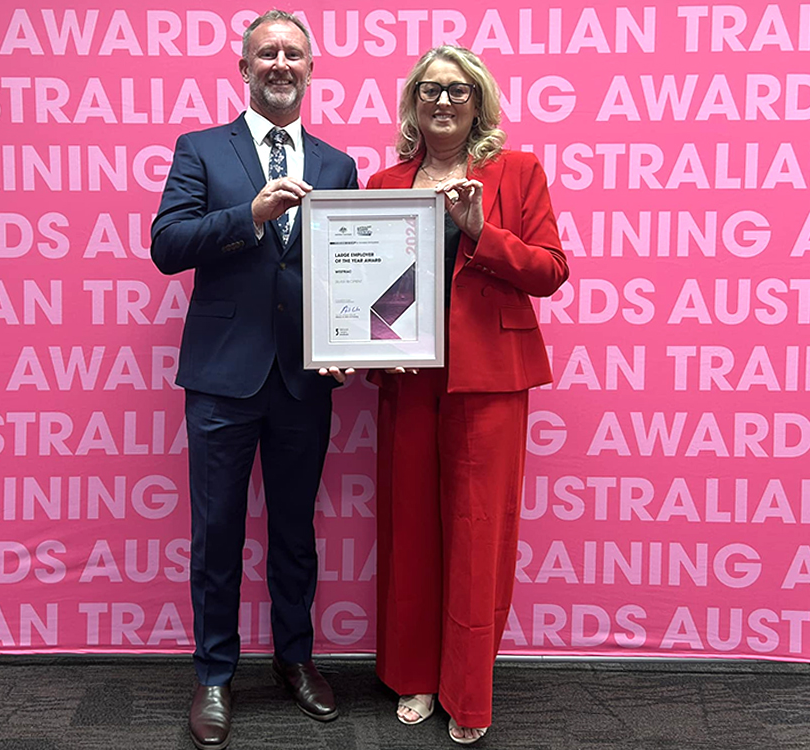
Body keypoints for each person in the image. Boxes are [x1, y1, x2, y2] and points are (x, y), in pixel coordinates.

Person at [150, 10, 358, 750]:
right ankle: (214, 674)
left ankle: (295, 662)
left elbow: (345, 275)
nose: (280, 63)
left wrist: (350, 340)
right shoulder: (201, 150)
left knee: (296, 532)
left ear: (311, 68)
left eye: (293, 53)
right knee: (216, 533)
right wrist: (249, 213)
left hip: (305, 381)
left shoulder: (337, 164)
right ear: (243, 68)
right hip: (220, 380)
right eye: (266, 52)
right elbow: (167, 246)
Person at [367, 46, 569, 745]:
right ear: (414, 103)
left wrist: (481, 232)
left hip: (490, 381)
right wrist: (360, 348)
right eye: (430, 90)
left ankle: (467, 691)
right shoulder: (385, 180)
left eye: (457, 90)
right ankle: (417, 676)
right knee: (412, 529)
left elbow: (549, 271)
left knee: (479, 537)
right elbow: (364, 293)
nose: (443, 102)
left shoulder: (517, 171)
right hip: (408, 381)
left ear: (478, 101)